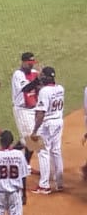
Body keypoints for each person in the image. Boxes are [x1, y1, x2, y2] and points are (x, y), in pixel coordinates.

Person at [31, 66, 65, 194]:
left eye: (42, 76)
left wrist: (34, 130)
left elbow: (41, 113)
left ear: (45, 77)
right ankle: (59, 183)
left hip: (47, 124)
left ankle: (44, 185)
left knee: (43, 152)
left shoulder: (44, 91)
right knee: (56, 151)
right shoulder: (60, 88)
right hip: (58, 122)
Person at [11, 52, 40, 166]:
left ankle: (9, 154)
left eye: (32, 63)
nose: (31, 65)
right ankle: (25, 164)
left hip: (34, 109)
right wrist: (38, 80)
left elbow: (39, 88)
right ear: (23, 62)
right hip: (22, 110)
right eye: (29, 63)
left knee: (28, 139)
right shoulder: (18, 75)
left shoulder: (34, 73)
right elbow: (26, 89)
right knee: (32, 140)